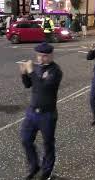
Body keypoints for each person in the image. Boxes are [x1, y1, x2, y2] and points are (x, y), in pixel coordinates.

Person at [19, 42, 62, 180]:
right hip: (32, 112)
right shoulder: (37, 68)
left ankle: (47, 172)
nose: (41, 59)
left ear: (51, 55)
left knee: (48, 144)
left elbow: (44, 88)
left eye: (44, 56)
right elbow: (28, 85)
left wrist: (31, 72)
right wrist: (24, 74)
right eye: (39, 56)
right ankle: (34, 166)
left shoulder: (55, 71)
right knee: (26, 140)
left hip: (47, 115)